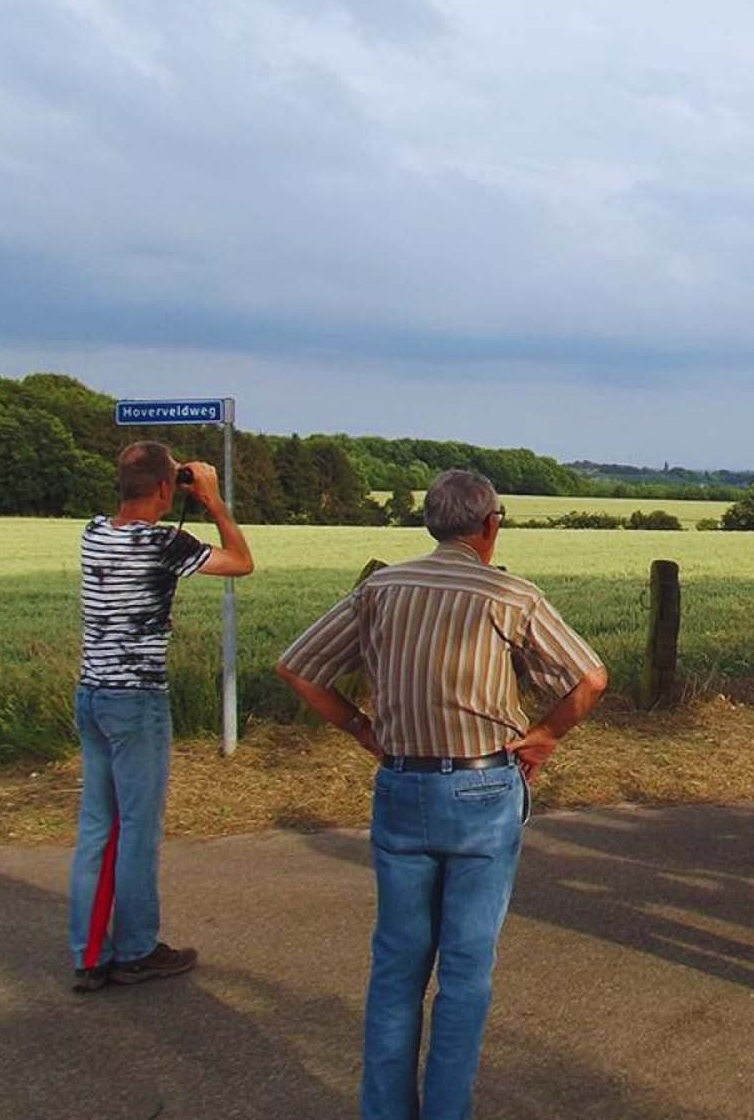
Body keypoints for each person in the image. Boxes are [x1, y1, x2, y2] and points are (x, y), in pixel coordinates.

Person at [276, 470, 609, 1120]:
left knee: (397, 962)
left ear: (432, 523)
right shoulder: (511, 594)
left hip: (401, 782)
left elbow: (296, 666)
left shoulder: (381, 588)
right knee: (464, 968)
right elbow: (590, 678)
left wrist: (358, 727)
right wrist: (542, 737)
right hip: (484, 787)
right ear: (490, 525)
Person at [69, 442, 254, 993]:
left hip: (91, 694)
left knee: (97, 829)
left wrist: (170, 480)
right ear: (166, 490)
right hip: (137, 701)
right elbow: (241, 562)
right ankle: (136, 950)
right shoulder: (163, 541)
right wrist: (215, 502)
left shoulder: (93, 532)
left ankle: (88, 953)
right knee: (138, 832)